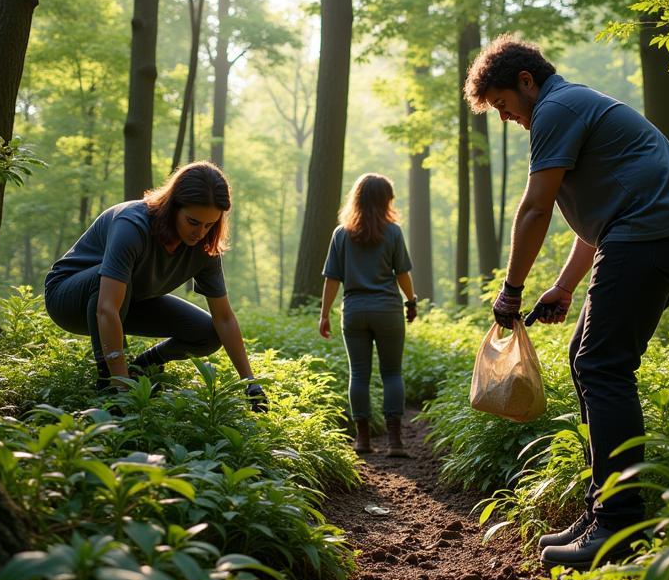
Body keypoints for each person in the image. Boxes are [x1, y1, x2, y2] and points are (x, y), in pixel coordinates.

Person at [465, 35, 669, 569]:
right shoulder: (575, 107)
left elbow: (535, 209)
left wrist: (511, 291)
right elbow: (595, 224)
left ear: (527, 83)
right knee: (589, 354)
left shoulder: (556, 108)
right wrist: (563, 285)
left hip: (650, 233)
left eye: (505, 106)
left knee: (603, 365)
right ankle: (603, 512)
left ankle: (620, 527)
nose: (508, 119)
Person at [44, 161, 266, 409]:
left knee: (208, 334)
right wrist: (120, 383)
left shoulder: (204, 248)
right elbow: (106, 307)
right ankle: (109, 380)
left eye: (210, 224)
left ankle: (143, 366)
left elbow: (224, 318)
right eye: (193, 222)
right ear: (172, 207)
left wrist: (250, 381)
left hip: (127, 302)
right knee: (108, 281)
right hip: (69, 299)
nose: (200, 232)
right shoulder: (132, 225)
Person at [319, 174, 418, 457]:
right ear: (385, 200)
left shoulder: (341, 233)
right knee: (392, 373)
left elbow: (331, 279)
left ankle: (363, 440)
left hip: (354, 311)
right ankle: (395, 442)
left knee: (359, 375)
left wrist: (324, 315)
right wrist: (411, 302)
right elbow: (402, 274)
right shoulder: (393, 232)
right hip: (387, 310)